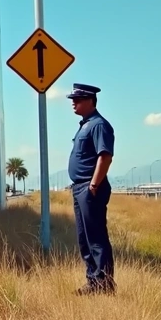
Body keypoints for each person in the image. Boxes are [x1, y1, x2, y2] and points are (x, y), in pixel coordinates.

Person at [66, 82, 115, 295]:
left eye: (77, 99)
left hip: (89, 187)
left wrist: (94, 185)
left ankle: (104, 284)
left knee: (96, 238)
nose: (73, 103)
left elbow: (105, 156)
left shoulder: (98, 125)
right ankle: (93, 282)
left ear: (90, 101)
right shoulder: (85, 124)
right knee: (84, 239)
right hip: (80, 188)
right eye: (73, 100)